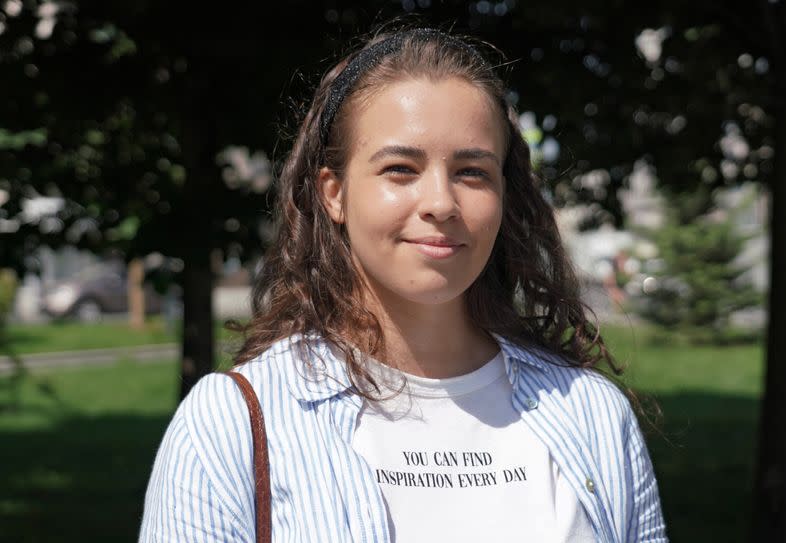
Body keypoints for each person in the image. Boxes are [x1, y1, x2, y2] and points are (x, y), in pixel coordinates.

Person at [139, 27, 667, 542]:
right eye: (400, 168)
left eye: (471, 172)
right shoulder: (233, 424)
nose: (440, 201)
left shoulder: (592, 413)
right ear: (334, 193)